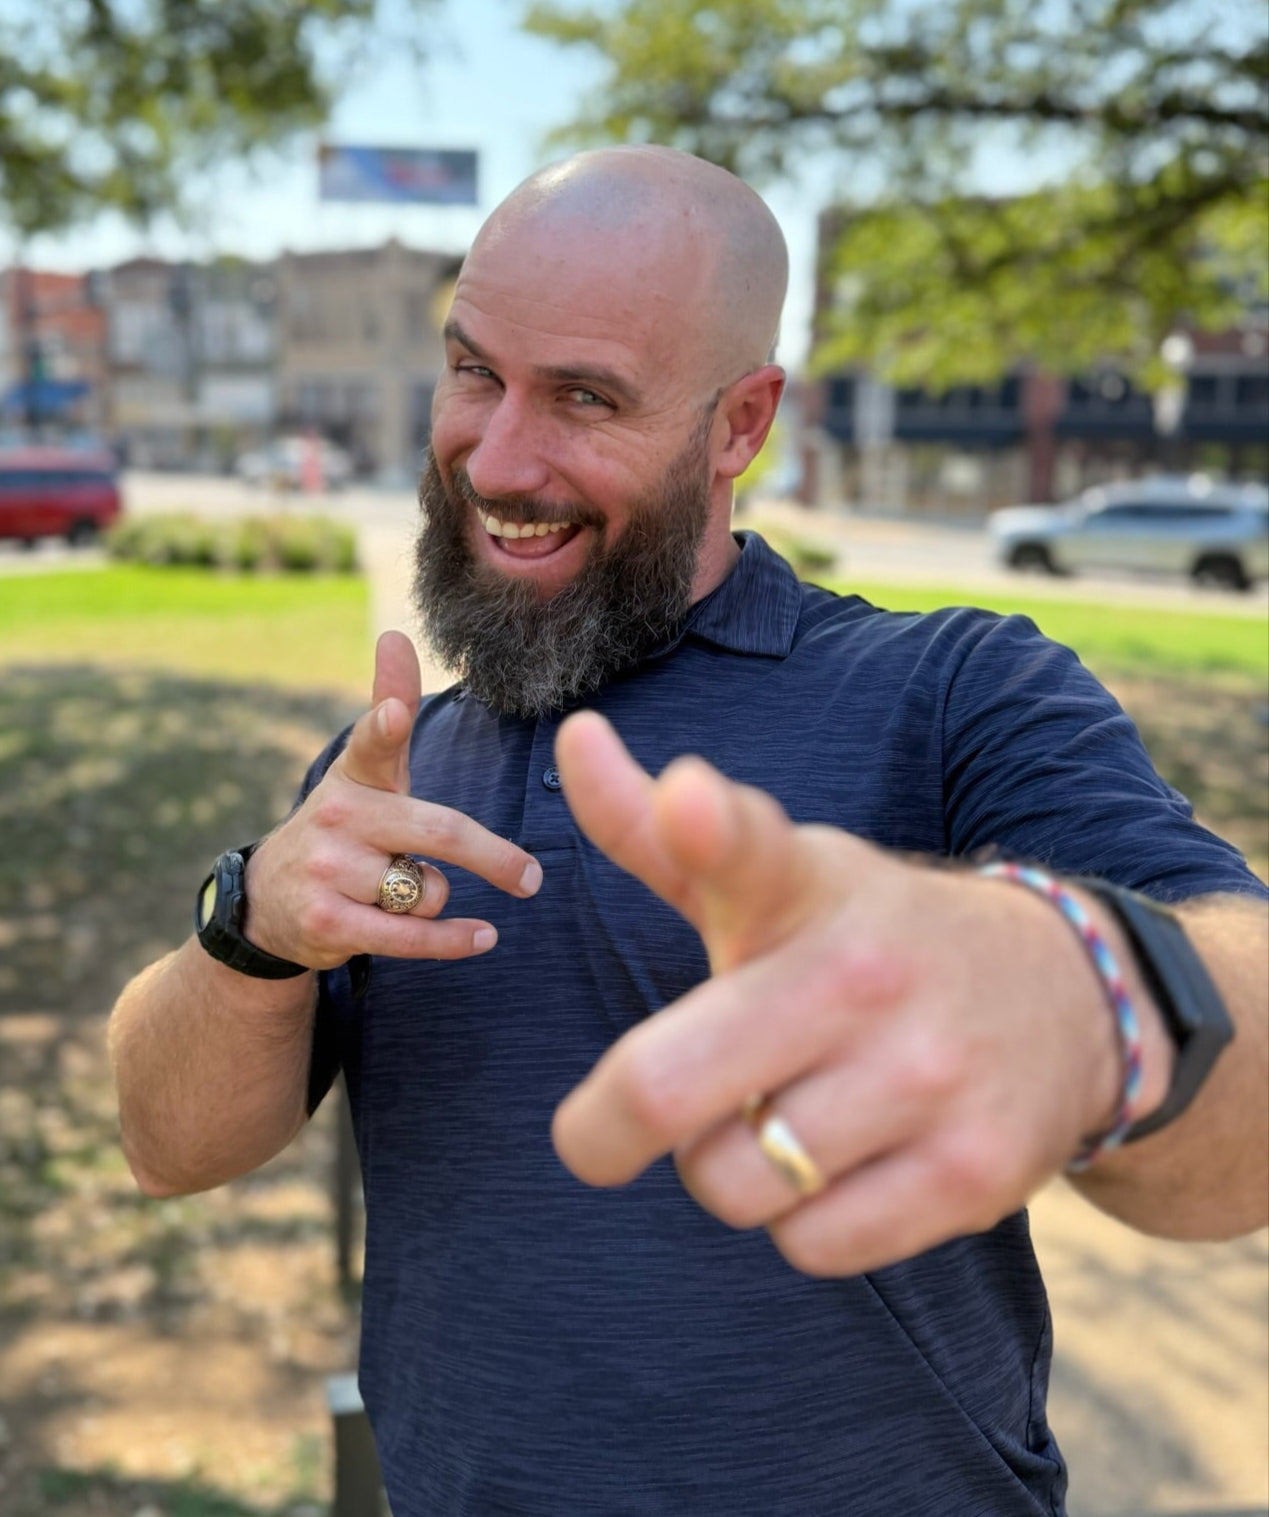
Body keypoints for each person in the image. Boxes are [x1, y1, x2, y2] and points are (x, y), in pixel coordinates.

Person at [109, 147, 1268, 1516]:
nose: (495, 455)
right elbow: (164, 1142)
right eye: (474, 369)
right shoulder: (392, 761)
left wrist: (1081, 988)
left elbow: (1242, 1090)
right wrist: (250, 925)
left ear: (739, 424)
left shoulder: (950, 690)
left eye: (585, 397)